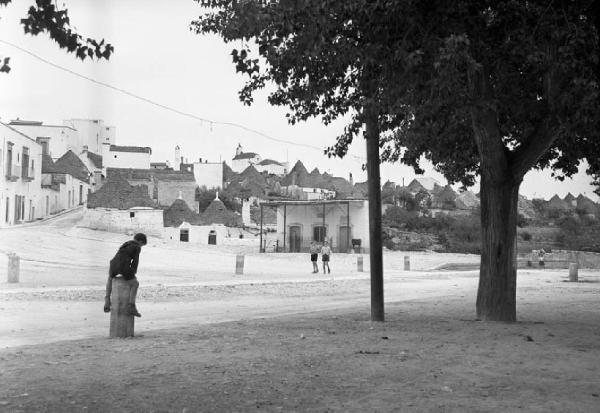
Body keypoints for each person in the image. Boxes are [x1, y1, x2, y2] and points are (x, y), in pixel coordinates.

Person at [103, 233, 147, 317]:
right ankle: (131, 306)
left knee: (110, 279)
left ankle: (107, 301)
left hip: (113, 264)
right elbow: (135, 261)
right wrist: (133, 274)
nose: (141, 247)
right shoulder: (137, 246)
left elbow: (119, 256)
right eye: (142, 245)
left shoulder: (126, 244)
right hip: (123, 265)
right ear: (140, 241)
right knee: (135, 284)